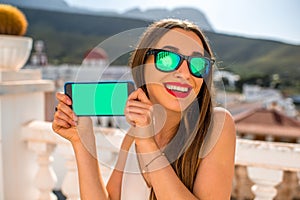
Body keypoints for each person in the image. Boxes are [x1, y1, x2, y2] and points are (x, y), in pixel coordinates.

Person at [52, 18, 236, 200]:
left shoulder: (216, 125)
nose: (185, 74)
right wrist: (83, 142)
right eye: (167, 59)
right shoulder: (133, 137)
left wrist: (148, 144)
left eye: (198, 64)